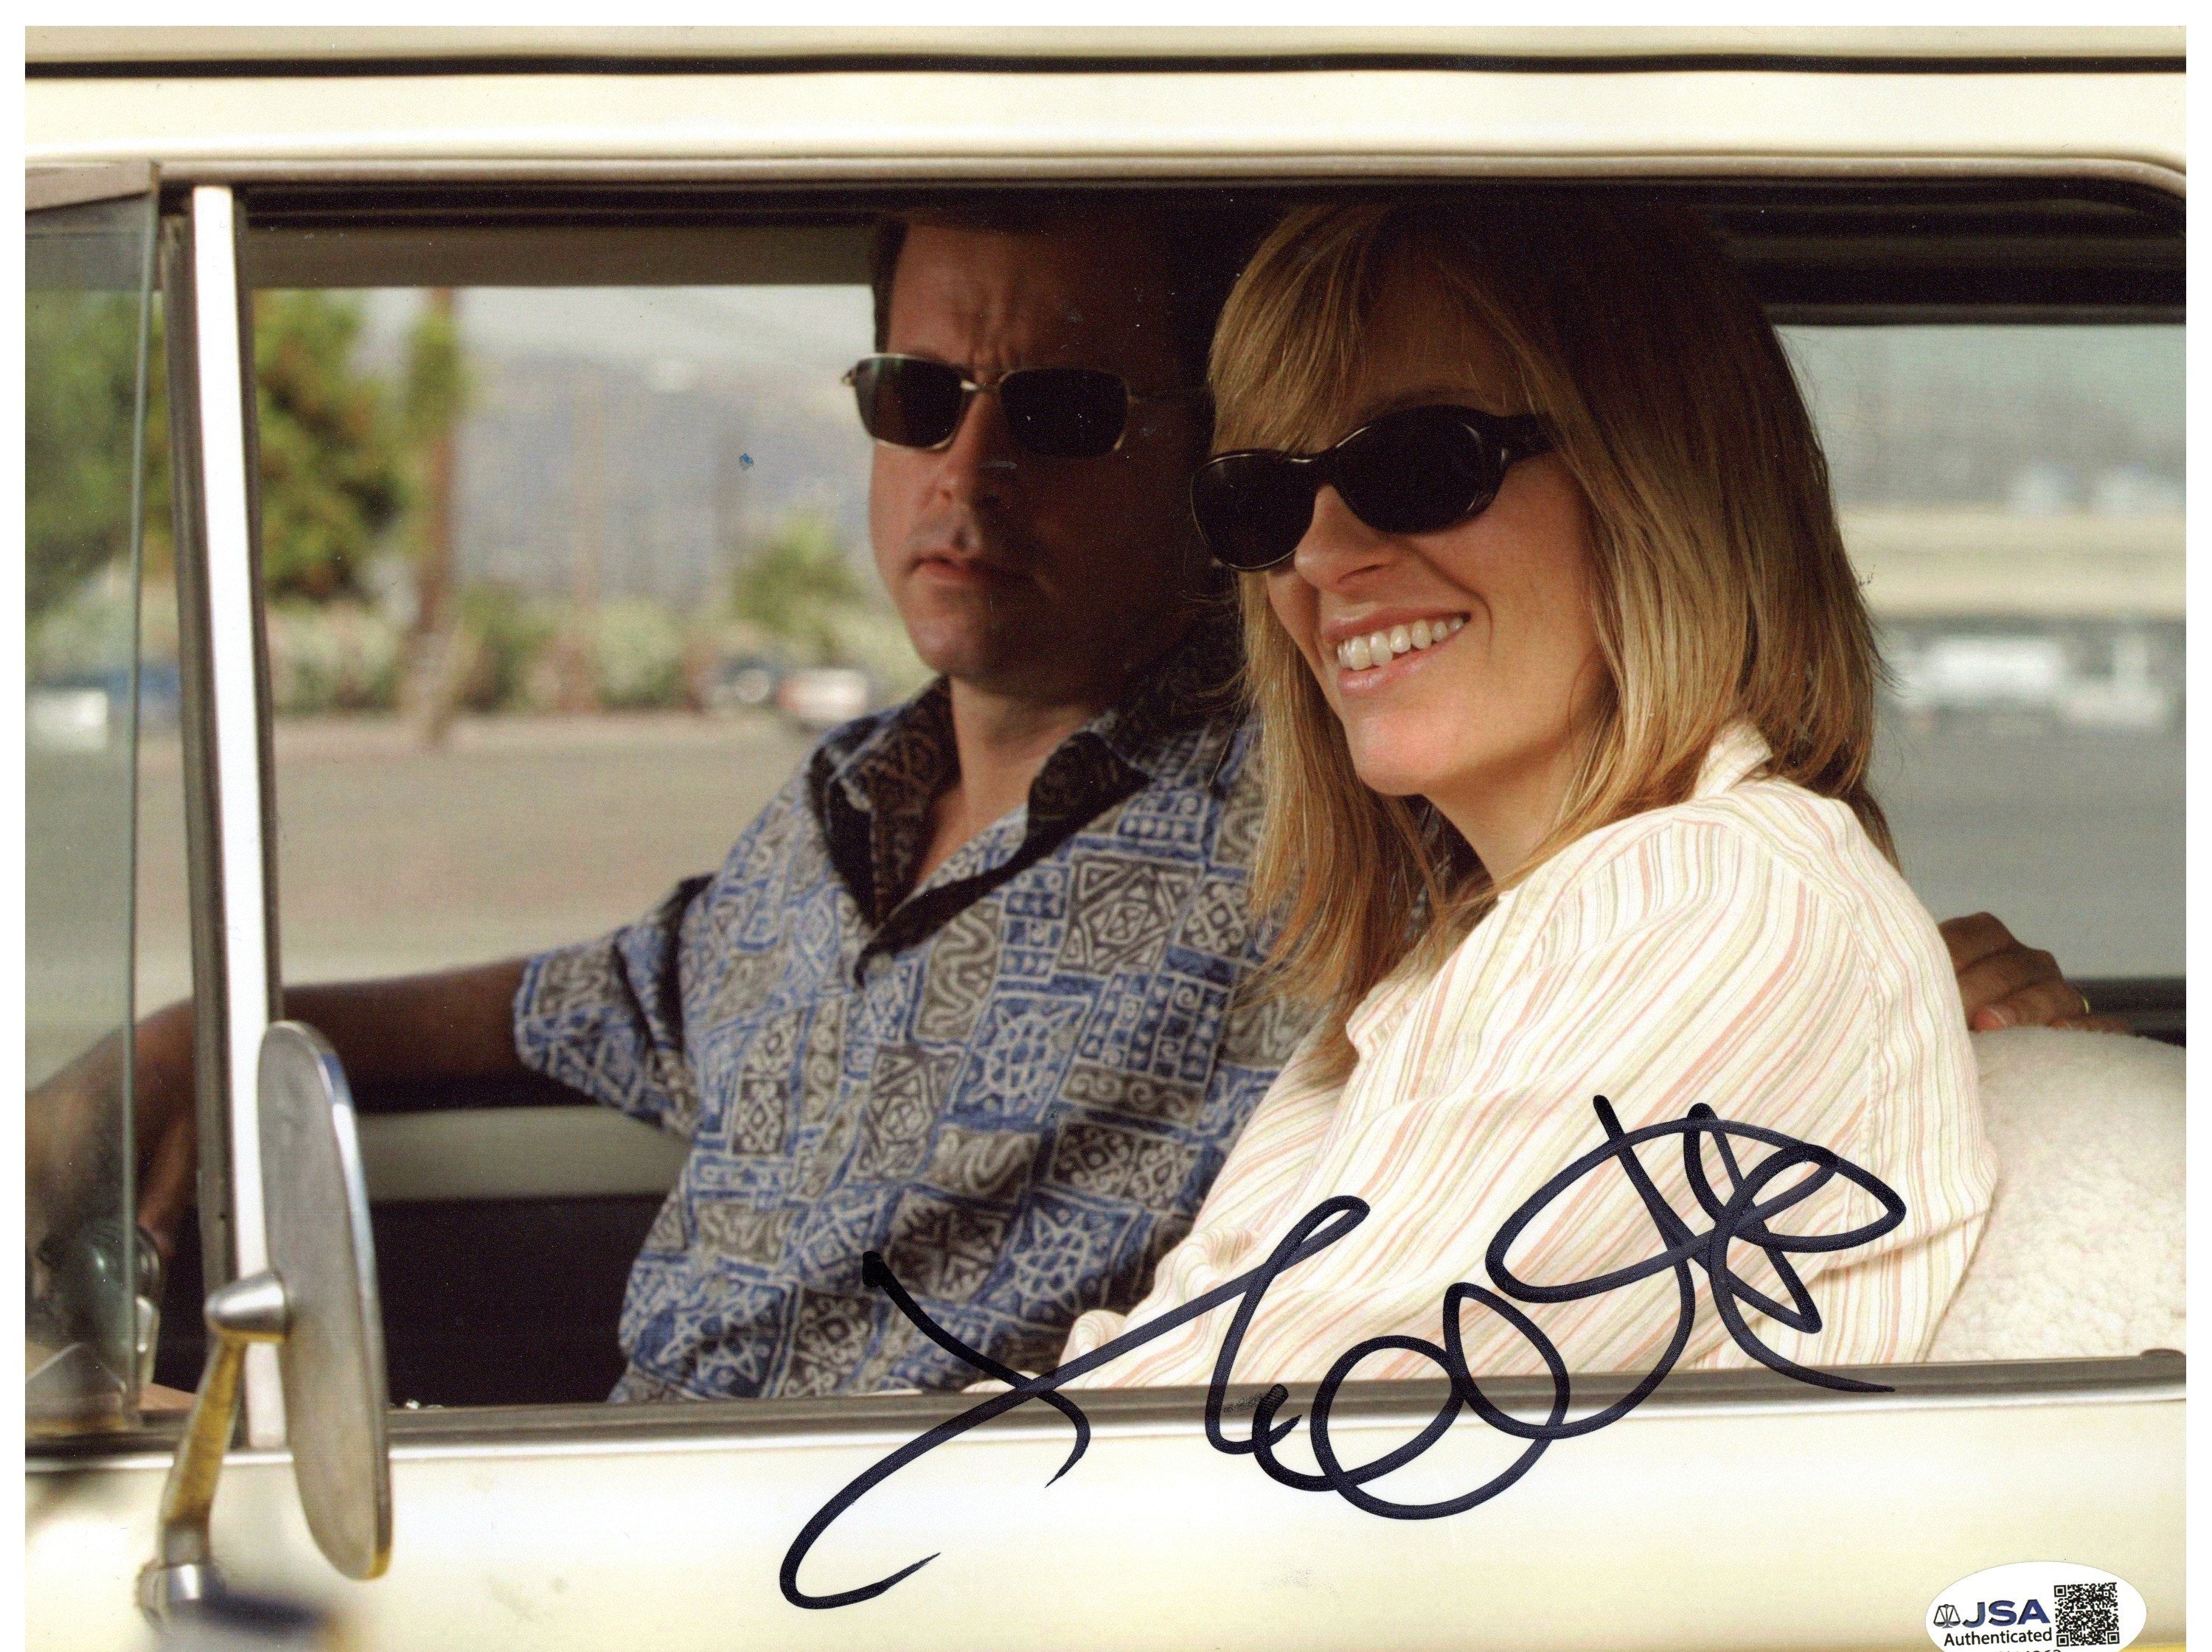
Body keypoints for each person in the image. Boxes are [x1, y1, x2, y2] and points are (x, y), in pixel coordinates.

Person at [26, 199, 2103, 1404]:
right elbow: (607, 994)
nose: (968, 468)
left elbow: (1680, 948)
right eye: (919, 397)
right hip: (737, 1544)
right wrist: (196, 1038)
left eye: (1067, 409)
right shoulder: (833, 820)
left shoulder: (1351, 838)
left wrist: (1872, 951)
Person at [1063, 196, 2012, 1388]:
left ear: (1663, 480)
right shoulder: (1464, 962)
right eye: (1263, 498)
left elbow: (1222, 1439)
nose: (1319, 556)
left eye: (1420, 464)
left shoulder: (1714, 904)